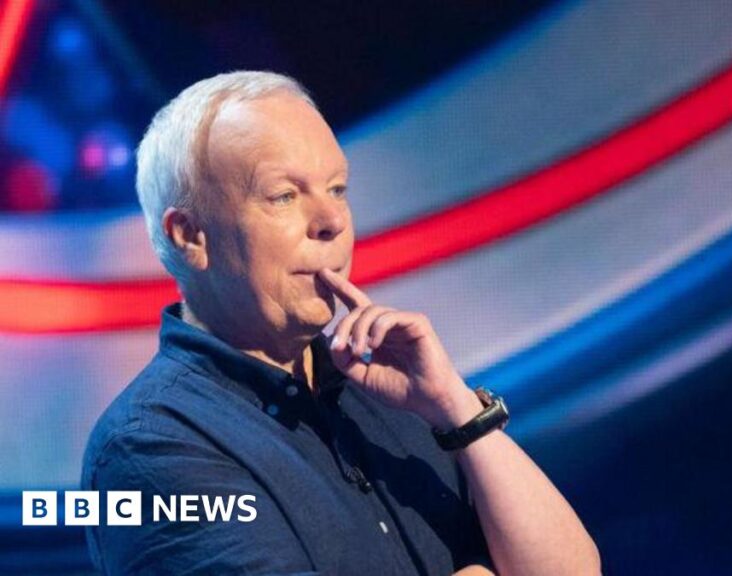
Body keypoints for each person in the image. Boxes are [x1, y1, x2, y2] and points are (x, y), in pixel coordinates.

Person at [81, 71, 600, 575]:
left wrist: (457, 408)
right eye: (284, 196)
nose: (332, 221)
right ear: (190, 236)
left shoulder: (396, 390)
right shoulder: (145, 448)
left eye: (336, 189)